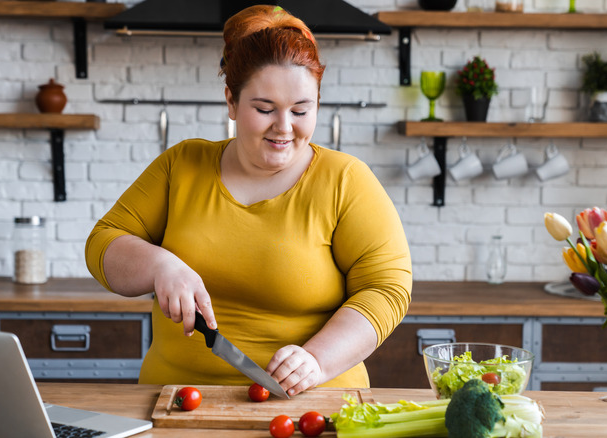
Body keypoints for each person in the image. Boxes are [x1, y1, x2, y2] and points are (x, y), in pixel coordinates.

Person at [85, 5, 411, 396]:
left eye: (301, 110)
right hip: (172, 400)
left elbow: (387, 289)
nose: (284, 127)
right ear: (231, 102)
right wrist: (159, 264)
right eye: (264, 109)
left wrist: (317, 360)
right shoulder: (182, 165)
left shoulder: (346, 180)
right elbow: (103, 242)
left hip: (310, 403)